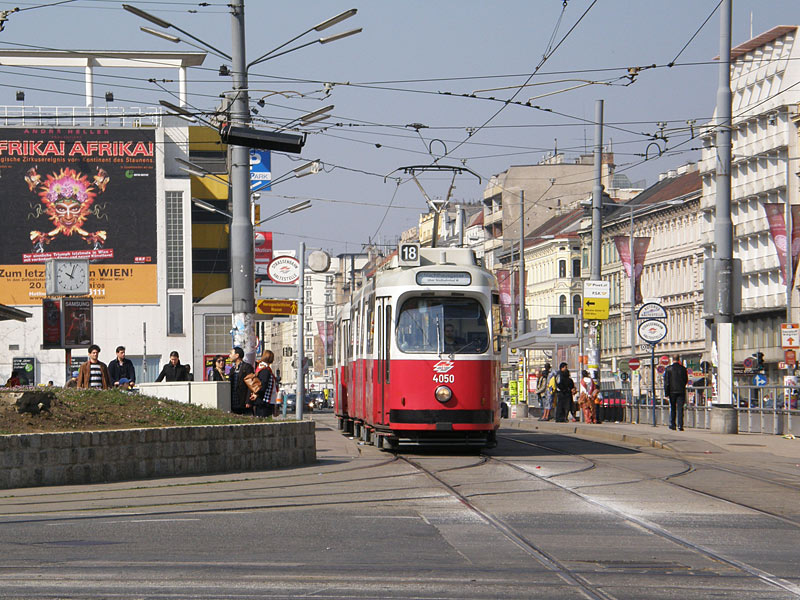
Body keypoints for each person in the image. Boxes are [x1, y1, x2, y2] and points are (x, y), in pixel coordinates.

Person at [251, 349, 278, 418]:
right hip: (264, 401)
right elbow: (263, 385)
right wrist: (258, 394)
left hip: (262, 400)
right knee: (264, 418)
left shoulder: (260, 368)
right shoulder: (265, 370)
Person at [664, 354, 689, 431]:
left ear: (672, 359)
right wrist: (682, 386)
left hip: (672, 391)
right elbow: (686, 380)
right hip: (681, 391)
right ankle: (680, 425)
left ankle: (673, 424)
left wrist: (666, 393)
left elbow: (667, 382)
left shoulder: (668, 369)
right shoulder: (683, 369)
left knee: (673, 408)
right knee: (680, 408)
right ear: (679, 359)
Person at [229, 346, 254, 415]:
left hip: (243, 401)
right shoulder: (232, 369)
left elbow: (251, 385)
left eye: (231, 353)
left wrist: (248, 401)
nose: (229, 355)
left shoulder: (247, 367)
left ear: (237, 355)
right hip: (233, 402)